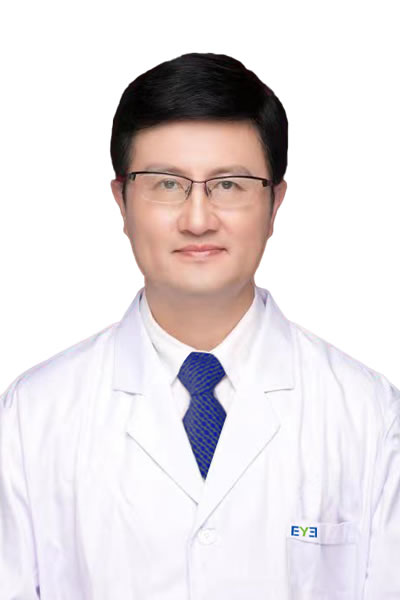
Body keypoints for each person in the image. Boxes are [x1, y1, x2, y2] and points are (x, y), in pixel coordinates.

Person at [0, 52, 399, 600]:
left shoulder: (368, 413)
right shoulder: (34, 415)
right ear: (121, 201)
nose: (197, 219)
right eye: (167, 184)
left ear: (275, 203)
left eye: (229, 185)